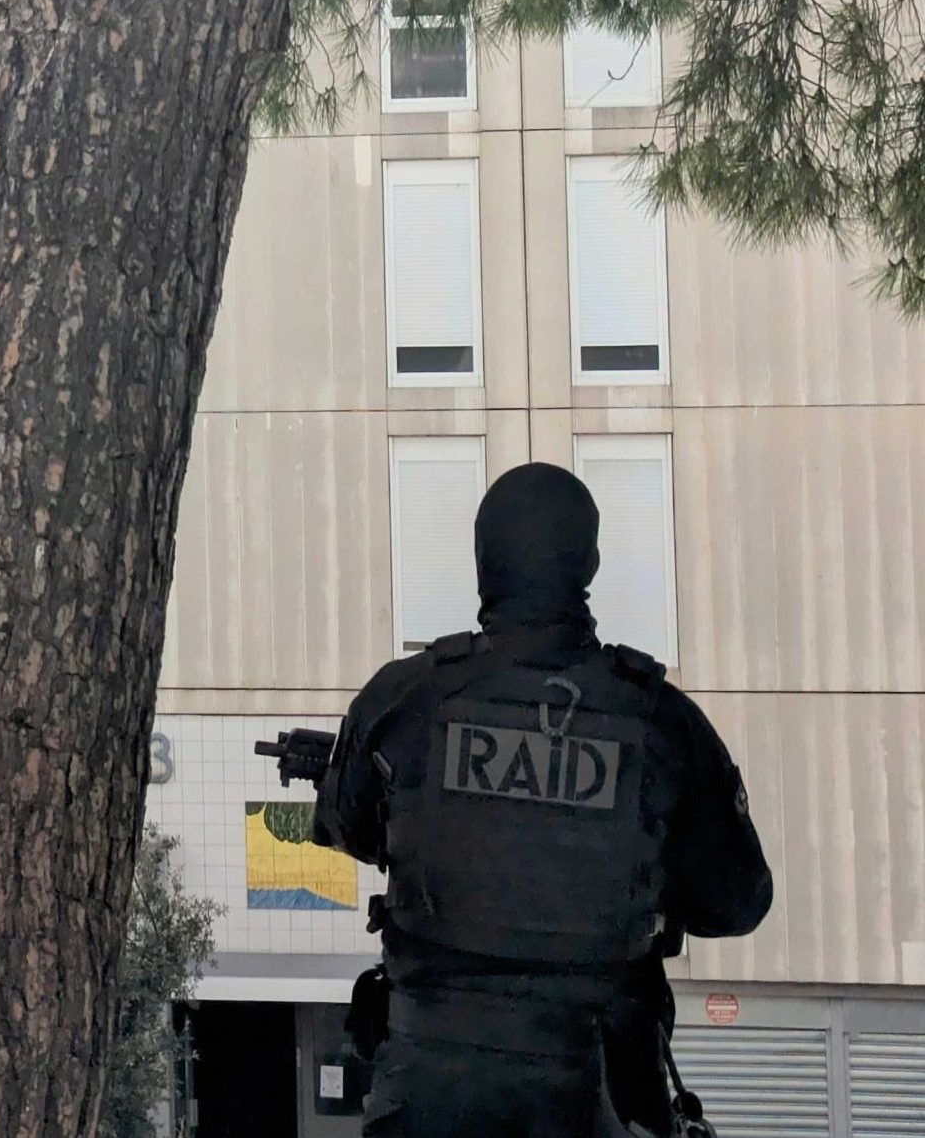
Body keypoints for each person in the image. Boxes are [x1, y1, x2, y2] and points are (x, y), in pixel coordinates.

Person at [313, 462, 772, 1137]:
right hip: (600, 1094)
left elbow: (346, 826)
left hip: (429, 1095)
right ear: (590, 562)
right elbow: (738, 901)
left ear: (480, 564)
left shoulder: (404, 700)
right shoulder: (662, 724)